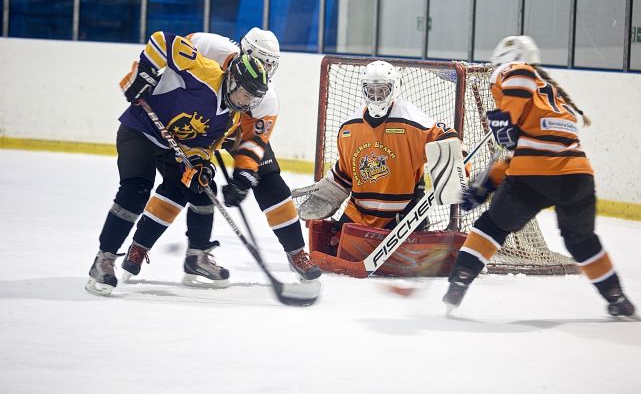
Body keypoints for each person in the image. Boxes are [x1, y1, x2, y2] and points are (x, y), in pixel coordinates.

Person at [443, 35, 637, 318]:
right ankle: (616, 296)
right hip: (578, 175)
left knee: (492, 226)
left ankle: (459, 281)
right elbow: (525, 147)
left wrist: (505, 118)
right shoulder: (552, 95)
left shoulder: (516, 72)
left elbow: (517, 83)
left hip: (536, 175)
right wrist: (490, 181)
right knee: (581, 241)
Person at [120, 28, 321, 284]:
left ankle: (296, 253)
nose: (264, 70)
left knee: (269, 180)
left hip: (233, 131)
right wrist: (144, 75)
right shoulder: (210, 46)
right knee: (182, 183)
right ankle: (141, 246)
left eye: (271, 66)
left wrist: (243, 176)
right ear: (244, 52)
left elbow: (253, 141)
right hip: (196, 126)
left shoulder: (265, 98)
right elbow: (172, 59)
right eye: (260, 62)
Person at [85, 30, 269, 296]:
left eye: (252, 98)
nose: (246, 102)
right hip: (140, 130)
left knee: (203, 190)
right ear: (231, 81)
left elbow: (203, 148)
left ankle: (197, 257)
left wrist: (200, 165)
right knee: (136, 190)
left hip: (171, 147)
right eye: (244, 94)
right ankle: (104, 259)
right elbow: (163, 40)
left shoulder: (230, 119)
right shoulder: (204, 72)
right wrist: (146, 71)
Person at [295, 60, 464, 235]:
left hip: (402, 215)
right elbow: (345, 173)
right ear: (364, 89)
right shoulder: (349, 128)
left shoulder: (410, 120)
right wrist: (328, 192)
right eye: (371, 89)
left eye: (382, 89)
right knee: (331, 246)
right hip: (358, 214)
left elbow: (445, 135)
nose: (376, 96)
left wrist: (453, 166)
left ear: (394, 88)